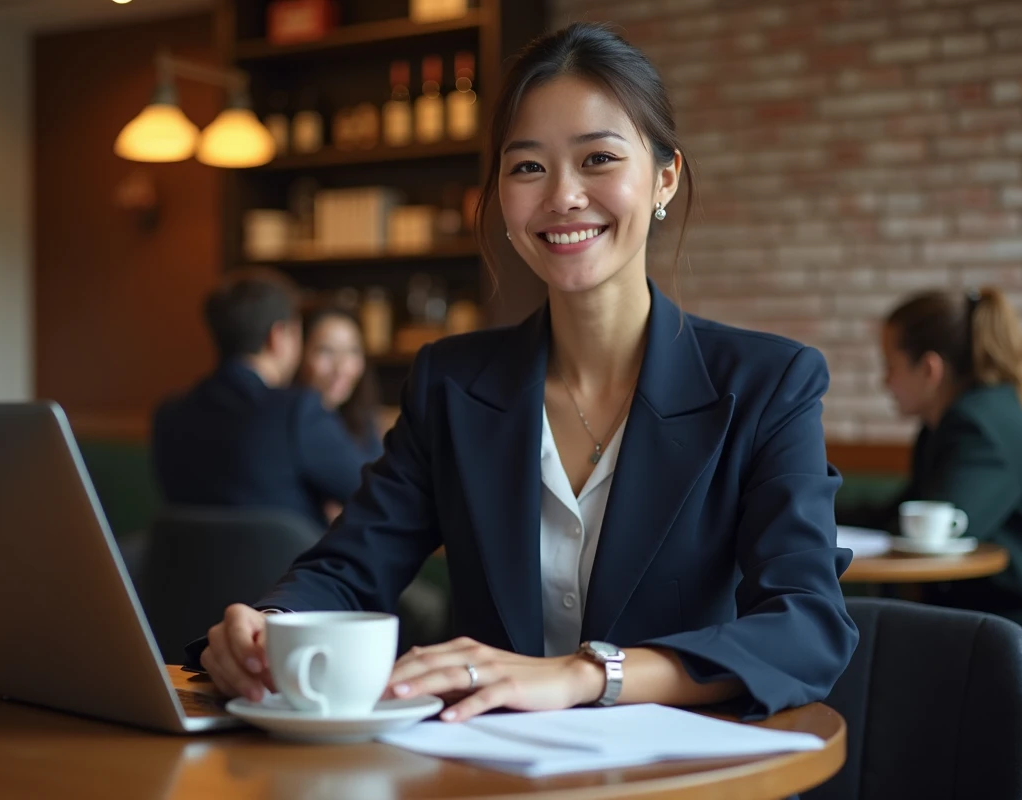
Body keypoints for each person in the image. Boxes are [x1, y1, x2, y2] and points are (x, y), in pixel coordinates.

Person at [194, 22, 858, 722]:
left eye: (598, 159)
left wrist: (586, 674)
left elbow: (807, 629)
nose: (562, 196)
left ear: (664, 177)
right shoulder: (450, 385)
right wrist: (267, 626)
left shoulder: (768, 383)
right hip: (491, 774)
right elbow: (349, 570)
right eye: (527, 167)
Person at [844, 287, 1022, 651]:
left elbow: (935, 538)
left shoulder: (979, 426)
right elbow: (903, 514)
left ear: (929, 369)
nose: (884, 382)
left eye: (890, 366)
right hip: (1011, 614)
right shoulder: (950, 425)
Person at [151, 270, 367, 532]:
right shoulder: (297, 412)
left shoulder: (170, 416)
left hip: (191, 572)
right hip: (290, 572)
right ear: (278, 337)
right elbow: (373, 496)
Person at [297, 306, 384, 464]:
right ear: (299, 353)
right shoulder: (290, 422)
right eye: (326, 351)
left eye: (352, 351)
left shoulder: (363, 418)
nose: (341, 368)